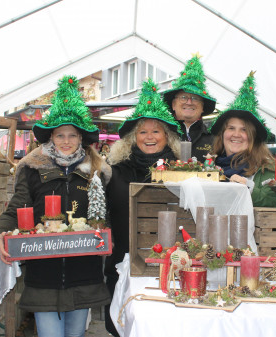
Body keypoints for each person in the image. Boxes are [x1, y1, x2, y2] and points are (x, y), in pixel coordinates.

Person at [0, 75, 111, 337]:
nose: (66, 141)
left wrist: (108, 237)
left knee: (76, 332)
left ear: (81, 138)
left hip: (84, 271)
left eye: (72, 135)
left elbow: (107, 215)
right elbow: (17, 206)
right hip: (44, 270)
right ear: (51, 138)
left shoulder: (97, 172)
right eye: (59, 135)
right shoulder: (32, 168)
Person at [104, 78, 182, 336]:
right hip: (122, 263)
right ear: (132, 138)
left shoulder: (181, 172)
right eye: (143, 132)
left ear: (167, 137)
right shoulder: (114, 172)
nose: (149, 137)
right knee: (120, 322)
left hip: (170, 266)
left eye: (156, 131)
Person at [209, 72, 276, 208]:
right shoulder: (209, 167)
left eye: (244, 130)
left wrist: (247, 189)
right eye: (231, 128)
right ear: (223, 134)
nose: (236, 134)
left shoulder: (266, 169)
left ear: (253, 137)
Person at [162, 54, 217, 160]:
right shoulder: (161, 134)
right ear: (173, 105)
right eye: (183, 97)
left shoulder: (214, 139)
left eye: (195, 98)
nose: (189, 102)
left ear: (203, 107)